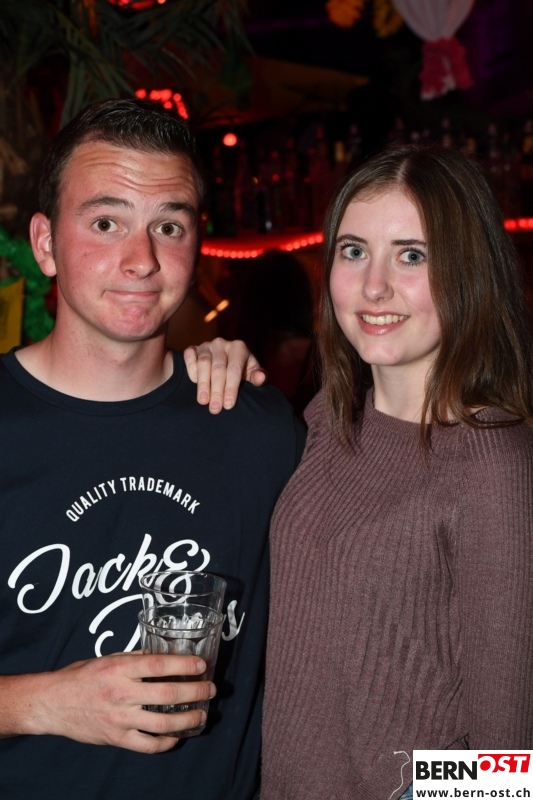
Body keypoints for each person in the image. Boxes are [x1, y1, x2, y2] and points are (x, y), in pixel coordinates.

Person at [187, 143, 533, 800]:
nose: (374, 286)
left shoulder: (492, 462)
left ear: (469, 270)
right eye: (353, 251)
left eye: (412, 255)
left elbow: (510, 765)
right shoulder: (328, 416)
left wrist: (394, 789)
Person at [0, 98, 304, 800]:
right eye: (106, 223)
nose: (140, 260)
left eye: (168, 226)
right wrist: (45, 703)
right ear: (44, 243)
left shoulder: (259, 431)